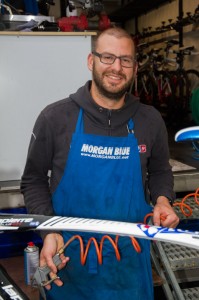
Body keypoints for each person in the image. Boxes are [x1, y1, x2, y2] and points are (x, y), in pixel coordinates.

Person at [21, 27, 179, 300]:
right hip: (68, 258)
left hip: (129, 262)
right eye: (108, 57)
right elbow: (33, 179)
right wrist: (49, 229)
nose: (116, 67)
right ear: (91, 61)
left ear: (134, 67)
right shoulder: (56, 118)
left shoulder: (150, 120)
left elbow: (160, 170)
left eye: (126, 60)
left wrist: (163, 199)